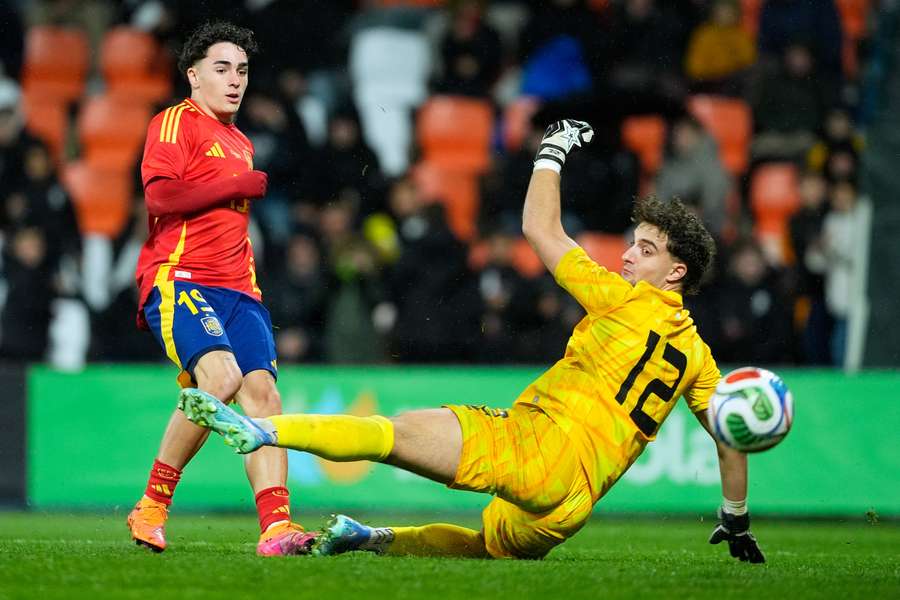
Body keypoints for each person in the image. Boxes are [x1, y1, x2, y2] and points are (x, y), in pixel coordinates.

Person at [180, 119, 765, 563]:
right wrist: (735, 517)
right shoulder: (697, 356)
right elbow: (730, 436)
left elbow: (540, 228)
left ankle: (264, 430)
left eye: (645, 249)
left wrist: (552, 150)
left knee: (395, 432)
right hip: (571, 509)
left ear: (677, 271)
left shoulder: (622, 297)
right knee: (487, 546)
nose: (629, 254)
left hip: (537, 447)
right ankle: (372, 538)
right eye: (633, 242)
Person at [126, 21, 315, 556]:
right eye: (221, 68)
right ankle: (153, 505)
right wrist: (236, 183)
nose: (234, 80)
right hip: (182, 278)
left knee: (265, 396)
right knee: (222, 378)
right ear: (193, 75)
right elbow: (160, 199)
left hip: (241, 291)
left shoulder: (239, 140)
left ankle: (277, 527)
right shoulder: (174, 123)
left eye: (243, 70)